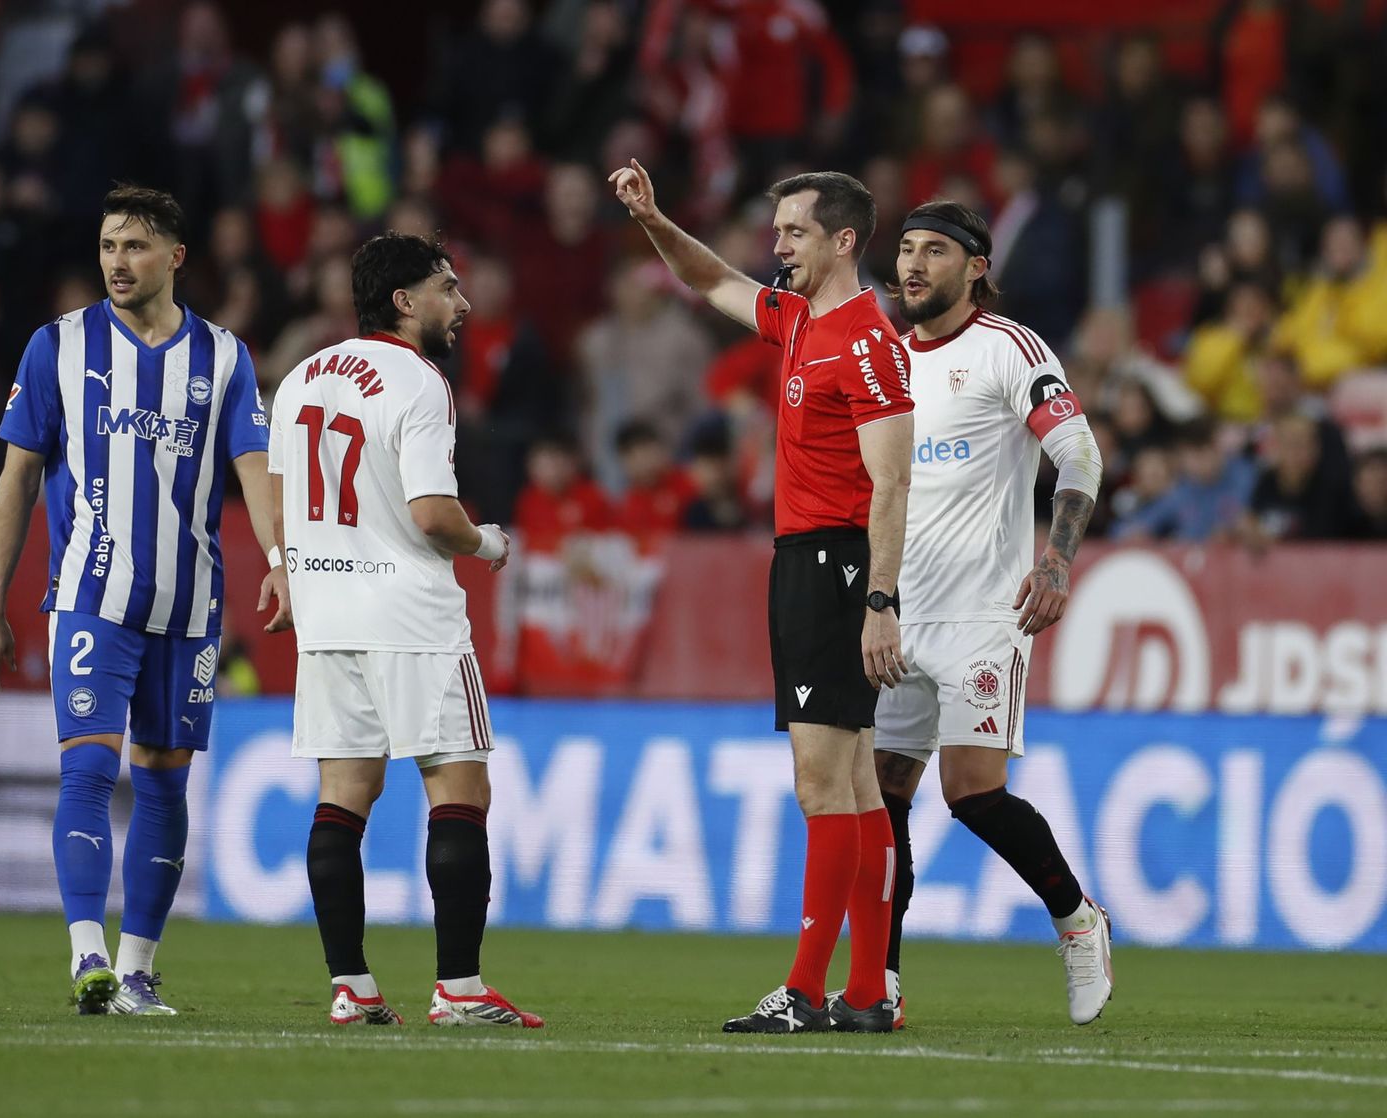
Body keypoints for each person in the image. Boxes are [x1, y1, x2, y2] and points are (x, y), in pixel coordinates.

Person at [0, 185, 290, 1016]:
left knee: (165, 785)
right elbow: (17, 479)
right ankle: (89, 956)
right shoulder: (58, 345)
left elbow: (255, 468)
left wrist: (282, 559)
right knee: (87, 766)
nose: (118, 261)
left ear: (175, 257)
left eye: (136, 246)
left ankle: (138, 972)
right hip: (90, 596)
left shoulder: (223, 358)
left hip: (188, 605)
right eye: (109, 245)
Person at [611, 160, 914, 1033]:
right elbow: (710, 279)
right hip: (807, 561)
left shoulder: (866, 340)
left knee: (822, 785)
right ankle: (866, 994)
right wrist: (653, 219)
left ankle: (806, 992)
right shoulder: (798, 318)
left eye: (795, 232)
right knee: (855, 786)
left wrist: (880, 602)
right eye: (777, 231)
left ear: (843, 240)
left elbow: (892, 482)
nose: (777, 245)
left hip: (838, 567)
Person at [267, 231, 543, 1030]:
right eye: (447, 288)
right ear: (403, 301)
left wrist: (290, 570)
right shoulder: (420, 383)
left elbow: (282, 503)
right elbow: (431, 515)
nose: (463, 304)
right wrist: (487, 542)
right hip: (411, 616)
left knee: (342, 797)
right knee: (460, 791)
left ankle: (351, 986)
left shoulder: (301, 377)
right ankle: (459, 989)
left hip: (327, 614)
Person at [876, 200, 1112, 1029]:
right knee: (882, 799)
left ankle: (1077, 920)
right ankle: (879, 982)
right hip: (897, 613)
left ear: (976, 266)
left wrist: (1056, 559)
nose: (913, 265)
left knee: (972, 793)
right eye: (906, 249)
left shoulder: (1010, 348)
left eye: (934, 251)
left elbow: (1079, 453)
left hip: (984, 612)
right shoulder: (886, 360)